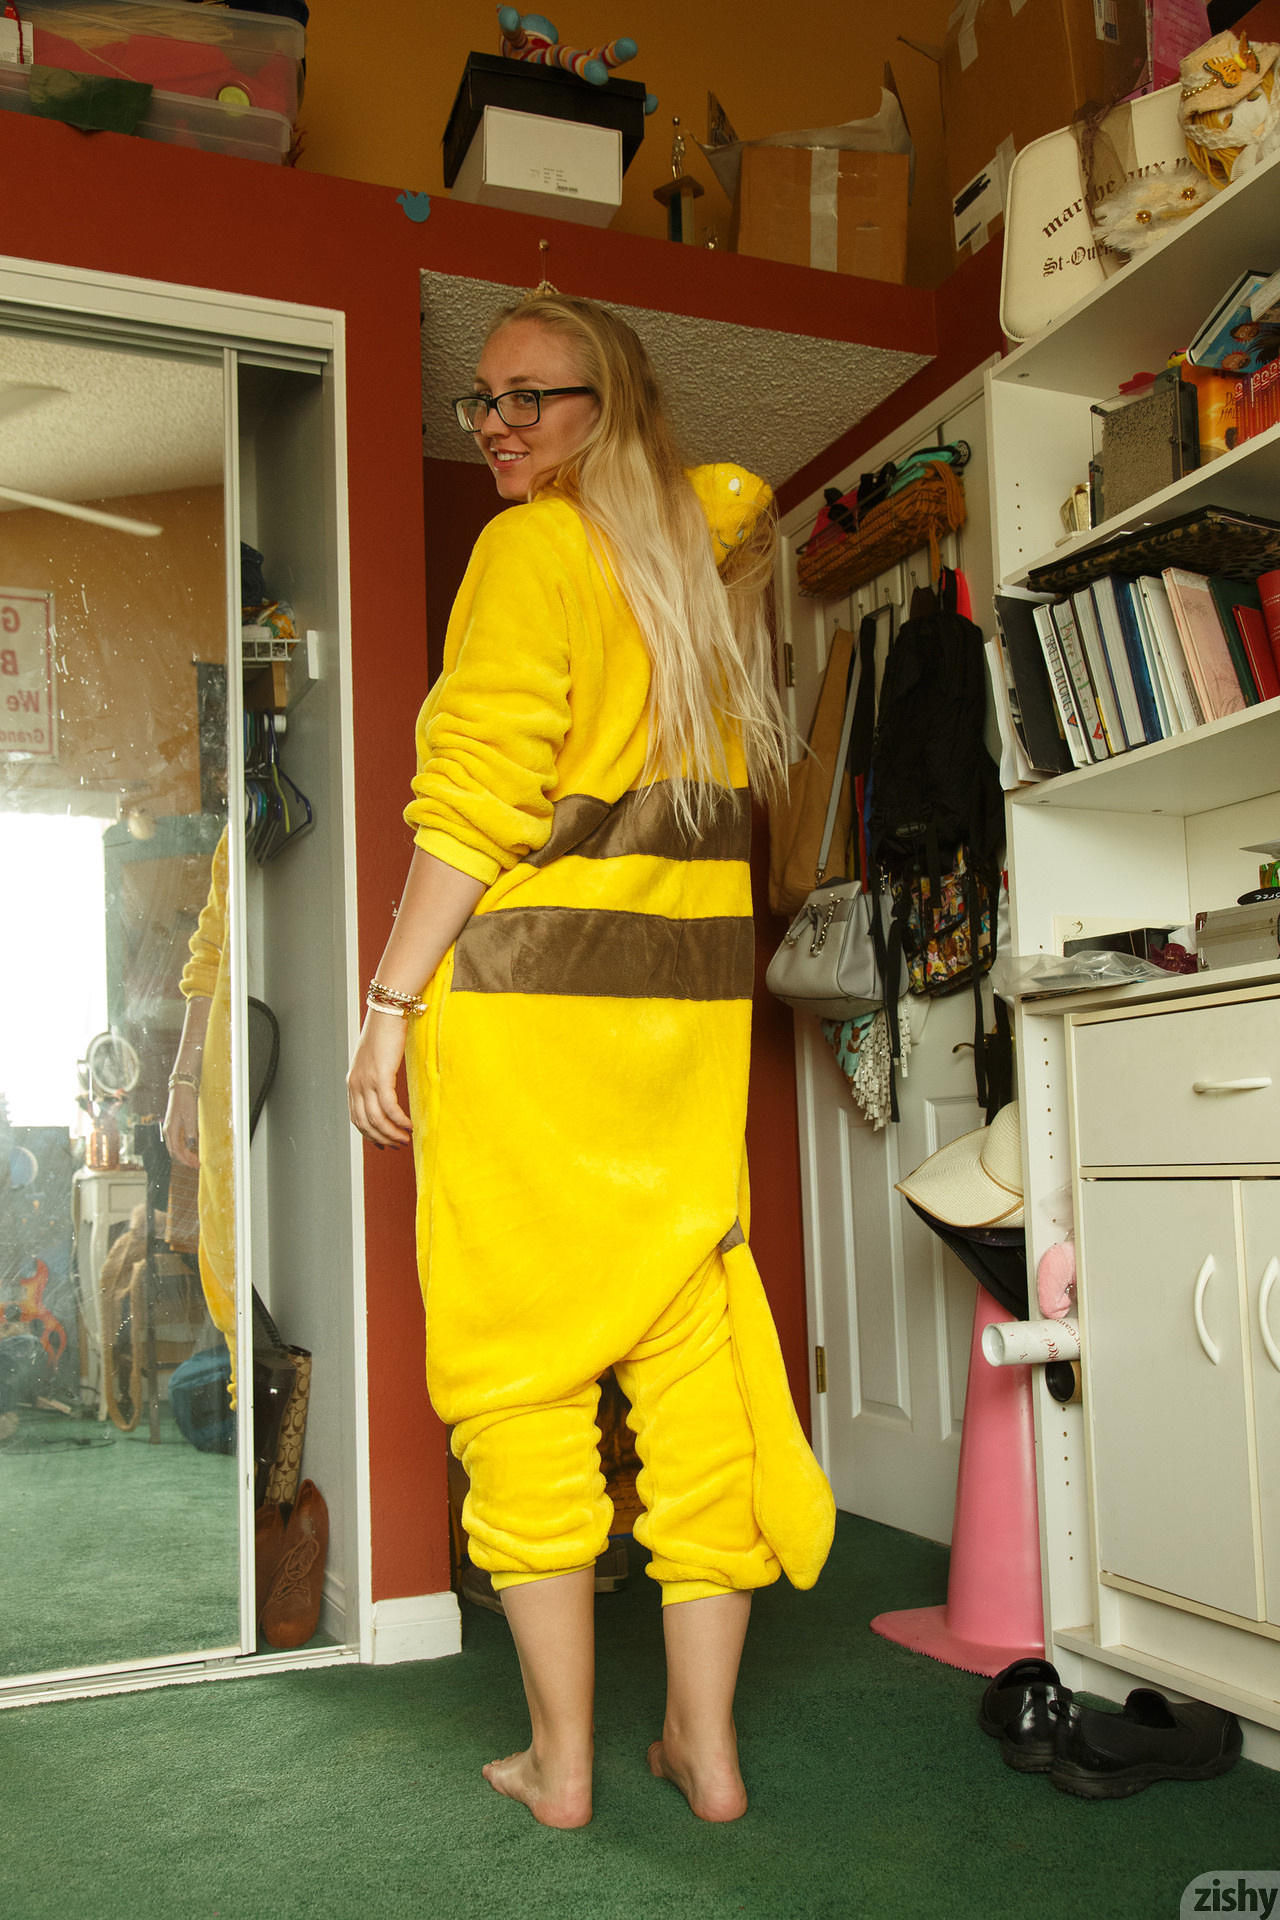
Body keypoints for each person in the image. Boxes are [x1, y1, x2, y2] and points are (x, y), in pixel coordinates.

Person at [347, 294, 834, 1829]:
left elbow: (475, 798)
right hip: (681, 1035)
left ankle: (561, 1767)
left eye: (531, 398)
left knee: (521, 1380)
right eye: (482, 401)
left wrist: (391, 999)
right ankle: (707, 1751)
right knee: (694, 1373)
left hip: (529, 1029)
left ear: (608, 406)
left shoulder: (531, 552)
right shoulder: (694, 580)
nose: (496, 426)